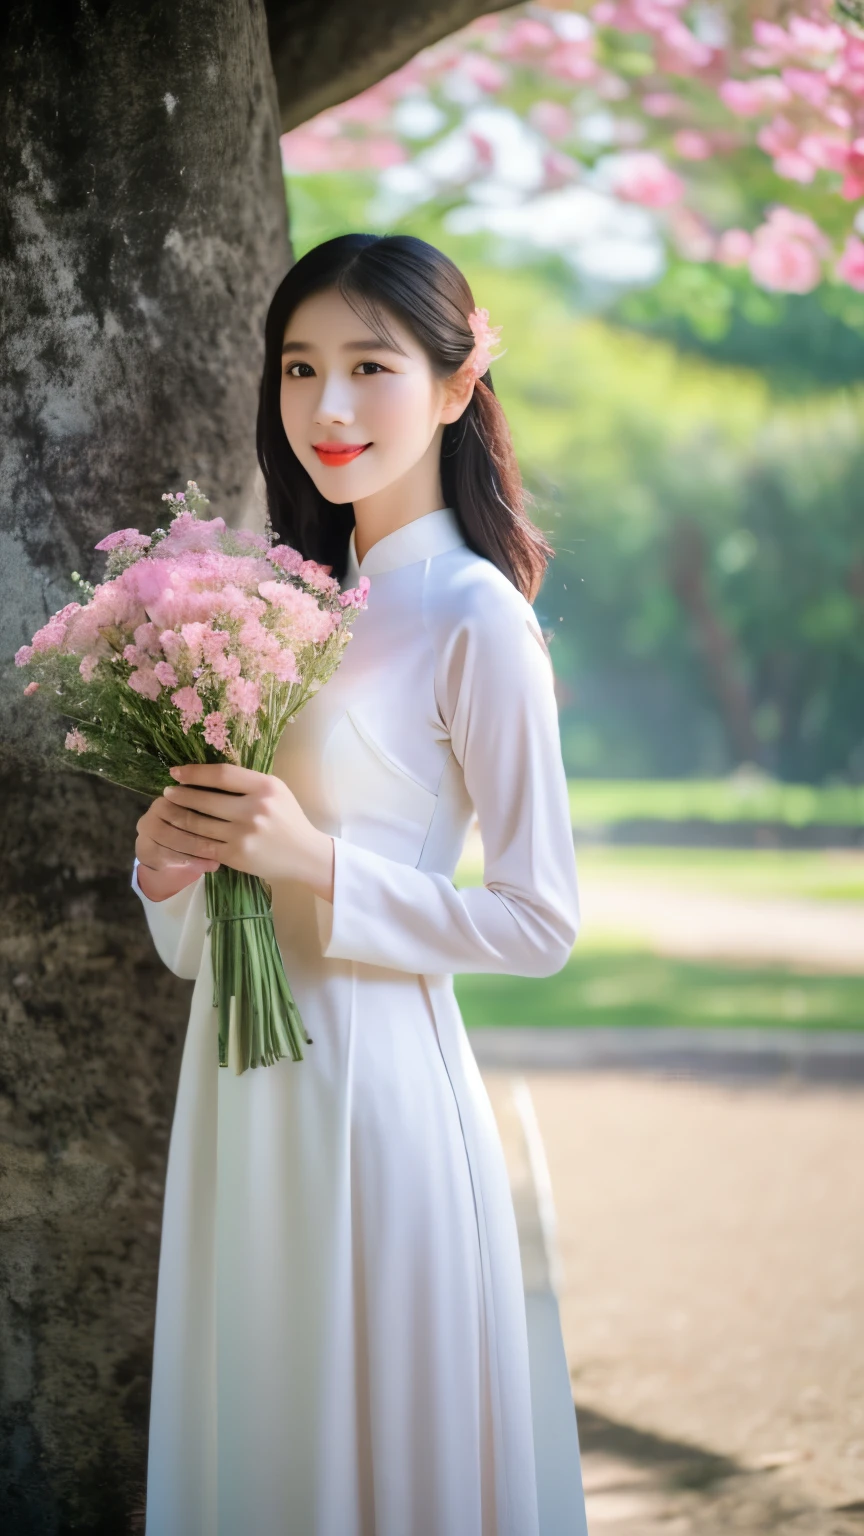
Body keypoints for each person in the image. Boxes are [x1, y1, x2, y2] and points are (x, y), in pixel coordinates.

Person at [131, 233, 584, 1536]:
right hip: (237, 1090)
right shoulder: (280, 601)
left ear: (454, 384)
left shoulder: (472, 613)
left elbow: (540, 921)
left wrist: (311, 861)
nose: (328, 408)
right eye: (299, 368)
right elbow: (207, 932)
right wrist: (175, 863)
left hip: (375, 1090)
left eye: (370, 367)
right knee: (259, 1433)